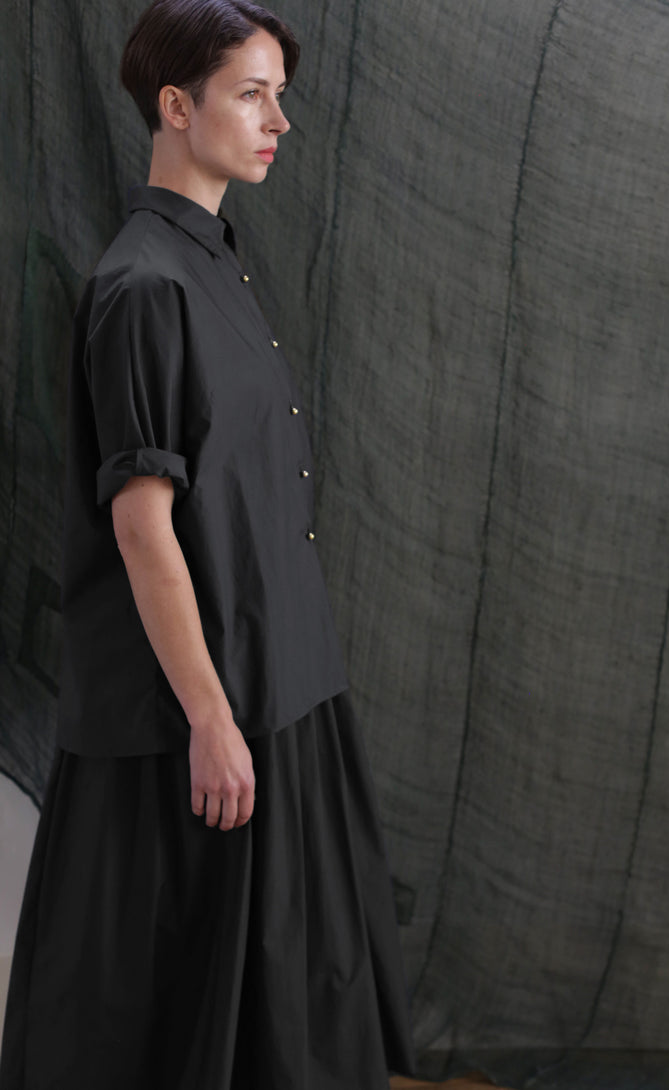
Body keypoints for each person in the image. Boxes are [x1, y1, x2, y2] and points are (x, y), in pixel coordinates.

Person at [0, 2, 416, 1087]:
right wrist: (211, 720)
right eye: (252, 92)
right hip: (208, 713)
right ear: (175, 108)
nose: (279, 118)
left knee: (294, 1016)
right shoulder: (143, 288)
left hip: (284, 687)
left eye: (282, 93)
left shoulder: (216, 265)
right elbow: (142, 527)